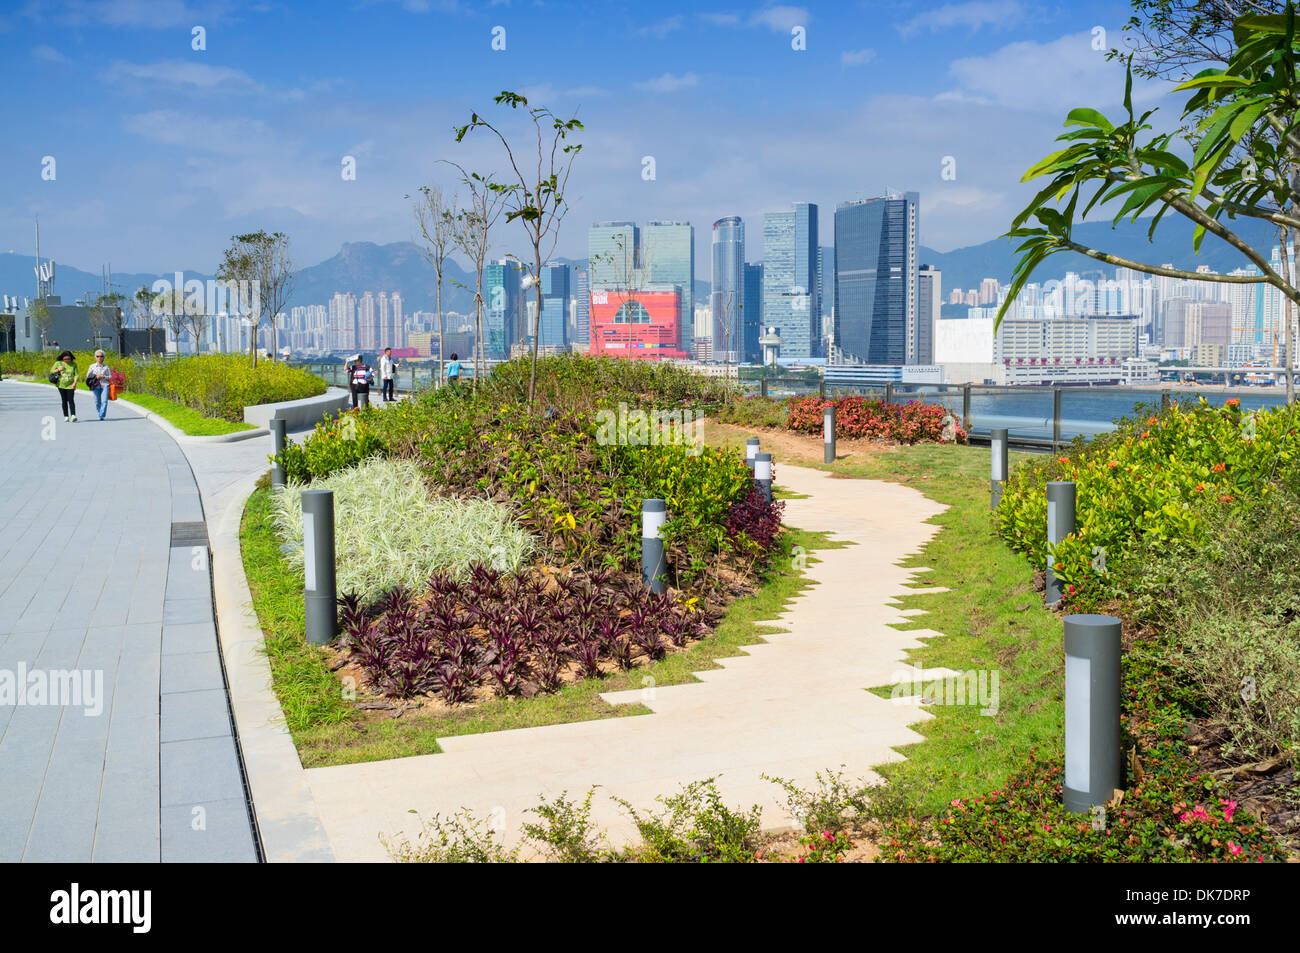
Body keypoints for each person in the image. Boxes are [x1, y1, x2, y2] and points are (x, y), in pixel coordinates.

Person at [51, 350, 78, 422]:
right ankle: (66, 416)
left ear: (71, 358)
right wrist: (58, 369)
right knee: (64, 400)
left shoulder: (74, 364)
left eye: (68, 359)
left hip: (70, 385)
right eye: (65, 359)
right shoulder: (58, 363)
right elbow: (51, 371)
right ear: (62, 359)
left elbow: (76, 374)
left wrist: (74, 383)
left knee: (71, 400)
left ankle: (73, 415)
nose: (67, 361)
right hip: (61, 385)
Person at [86, 350, 113, 420]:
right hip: (95, 385)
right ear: (95, 357)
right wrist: (95, 375)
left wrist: (104, 377)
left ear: (104, 357)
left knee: (104, 401)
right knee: (97, 401)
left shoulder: (106, 367)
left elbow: (110, 377)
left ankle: (101, 415)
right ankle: (99, 412)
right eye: (98, 356)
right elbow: (88, 376)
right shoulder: (92, 366)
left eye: (101, 356)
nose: (99, 358)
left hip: (105, 385)